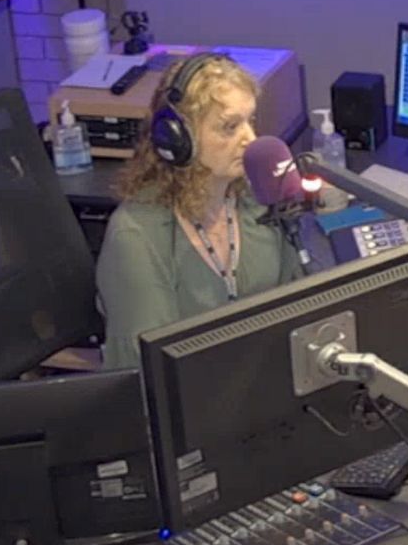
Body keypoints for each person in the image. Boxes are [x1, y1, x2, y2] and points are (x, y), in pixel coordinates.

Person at [97, 53, 304, 368]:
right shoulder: (137, 237)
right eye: (229, 127)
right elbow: (148, 371)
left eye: (250, 121)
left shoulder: (258, 199)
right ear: (179, 139)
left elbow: (298, 305)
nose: (250, 139)